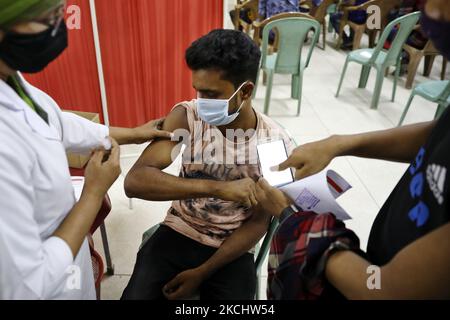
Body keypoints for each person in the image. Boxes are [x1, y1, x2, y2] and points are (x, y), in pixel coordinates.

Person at [255, 0, 450, 300]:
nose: (426, 23)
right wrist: (341, 143)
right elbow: (440, 132)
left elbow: (385, 289)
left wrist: (297, 223)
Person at [0, 0, 173, 300]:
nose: (61, 26)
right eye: (48, 18)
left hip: (67, 257)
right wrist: (93, 193)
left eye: (62, 13)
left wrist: (133, 134)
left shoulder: (11, 79)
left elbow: (54, 121)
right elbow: (25, 286)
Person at [121, 29, 295, 300]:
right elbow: (135, 182)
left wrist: (202, 272)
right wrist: (218, 188)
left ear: (245, 91)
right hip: (180, 229)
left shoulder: (273, 144)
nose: (201, 102)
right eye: (198, 91)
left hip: (232, 248)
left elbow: (259, 223)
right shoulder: (187, 117)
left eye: (211, 94)